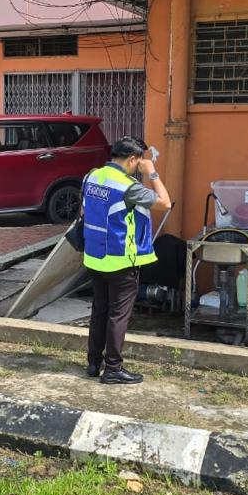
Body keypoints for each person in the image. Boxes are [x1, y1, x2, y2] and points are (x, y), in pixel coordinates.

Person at [82, 136, 172, 384]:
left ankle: (93, 363)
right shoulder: (128, 187)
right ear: (133, 159)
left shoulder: (93, 176)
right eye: (140, 161)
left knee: (99, 311)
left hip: (95, 257)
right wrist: (152, 173)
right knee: (118, 315)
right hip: (120, 260)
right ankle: (113, 368)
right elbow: (165, 203)